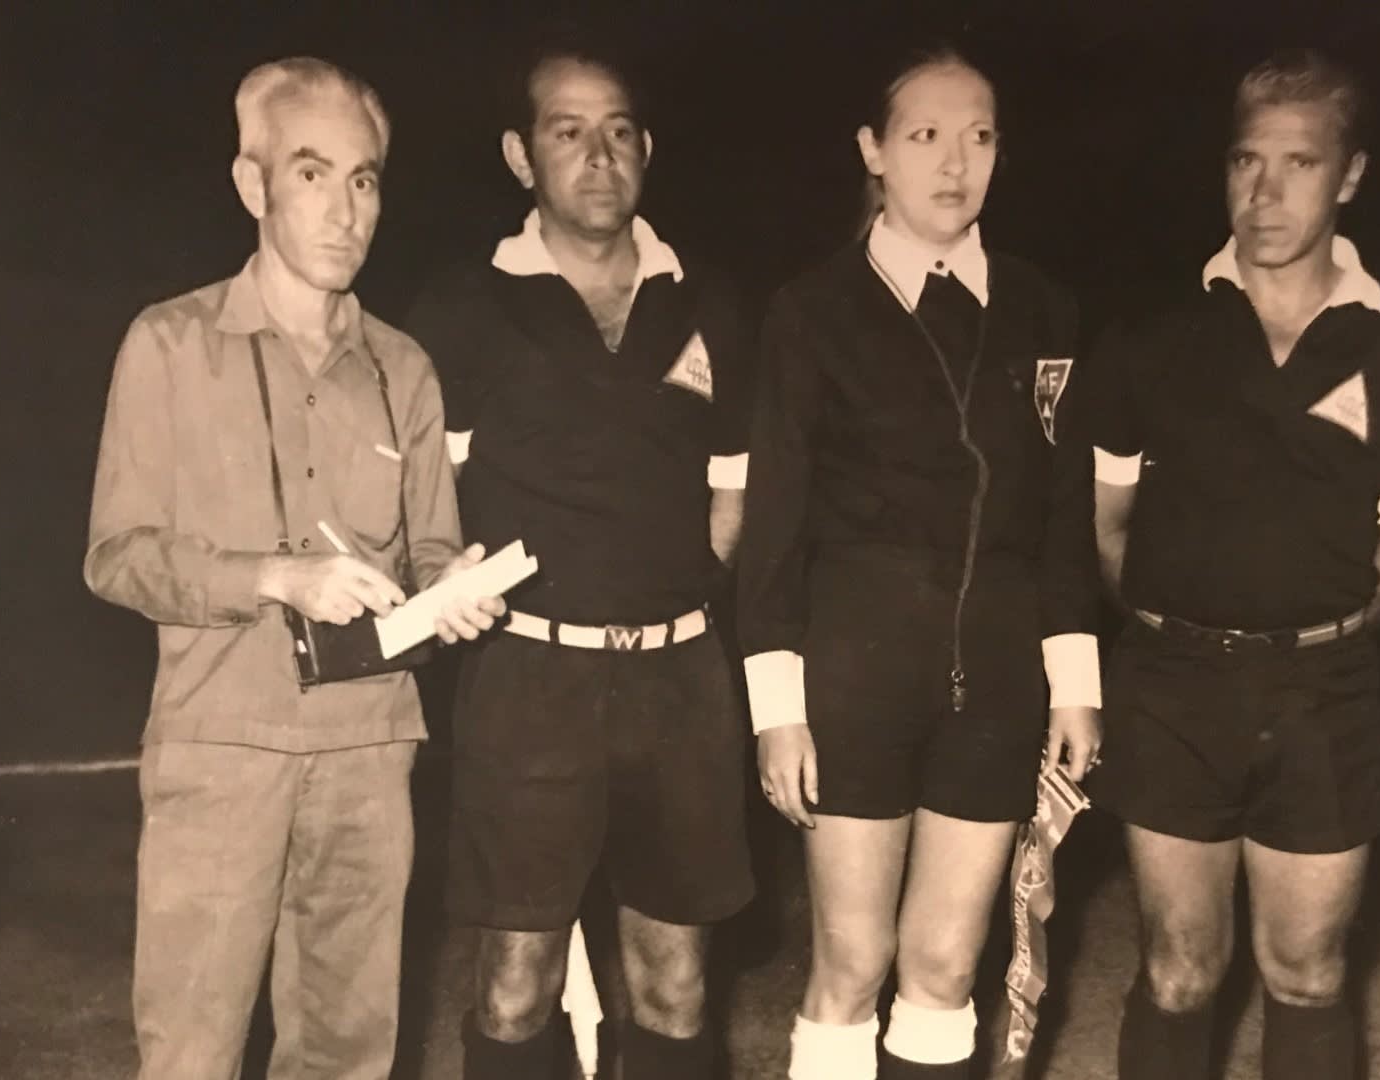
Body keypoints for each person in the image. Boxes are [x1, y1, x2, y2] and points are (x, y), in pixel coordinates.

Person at [84, 57, 505, 1080]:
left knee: (347, 1055)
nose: (344, 210)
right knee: (191, 1054)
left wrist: (453, 591)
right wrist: (277, 577)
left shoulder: (405, 368)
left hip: (371, 749)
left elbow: (429, 550)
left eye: (364, 181)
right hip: (220, 746)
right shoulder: (170, 345)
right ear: (252, 183)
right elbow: (116, 557)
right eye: (312, 174)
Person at [1085, 49, 1380, 1080]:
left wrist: (1311, 637)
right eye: (1247, 161)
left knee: (1308, 973)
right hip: (1172, 688)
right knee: (1178, 971)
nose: (1265, 191)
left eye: (1300, 163)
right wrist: (1188, 628)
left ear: (1351, 175)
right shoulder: (1152, 337)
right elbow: (1106, 526)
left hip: (1323, 695)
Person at [739, 42, 1102, 1080]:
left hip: (996, 684)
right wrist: (777, 708)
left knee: (945, 966)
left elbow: (1063, 513)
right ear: (874, 150)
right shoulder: (811, 311)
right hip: (854, 683)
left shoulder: (1042, 308)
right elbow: (774, 525)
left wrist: (1074, 682)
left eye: (979, 136)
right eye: (925, 135)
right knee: (852, 962)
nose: (954, 162)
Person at [405, 44, 755, 1080]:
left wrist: (670, 606)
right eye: (568, 131)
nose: (599, 155)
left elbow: (735, 492)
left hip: (679, 685)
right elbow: (426, 506)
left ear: (647, 147)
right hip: (529, 684)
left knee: (676, 987)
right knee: (515, 988)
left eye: (618, 131)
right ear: (521, 156)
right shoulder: (462, 308)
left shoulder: (711, 301)